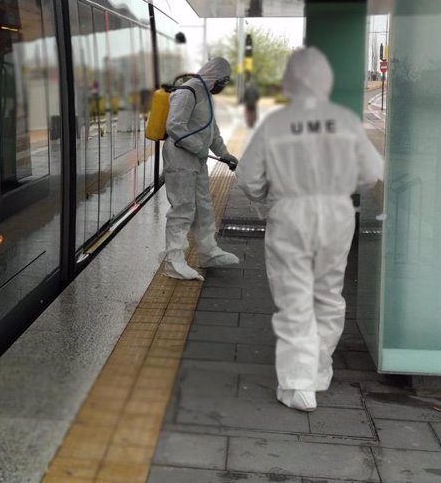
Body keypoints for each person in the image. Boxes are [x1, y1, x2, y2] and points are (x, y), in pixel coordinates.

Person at [235, 47, 383, 411]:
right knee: (329, 294)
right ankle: (317, 371)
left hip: (291, 214)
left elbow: (248, 177)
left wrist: (269, 198)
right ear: (325, 80)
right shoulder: (345, 120)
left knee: (294, 296)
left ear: (291, 80)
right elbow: (371, 172)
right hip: (337, 212)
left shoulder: (276, 123)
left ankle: (299, 384)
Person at [163, 57, 240, 281]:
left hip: (196, 159)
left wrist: (225, 154)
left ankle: (208, 251)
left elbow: (211, 131)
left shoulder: (205, 95)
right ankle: (174, 261)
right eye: (222, 81)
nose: (223, 86)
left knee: (204, 205)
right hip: (180, 159)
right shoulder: (188, 92)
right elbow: (174, 125)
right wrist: (198, 148)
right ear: (213, 76)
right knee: (183, 208)